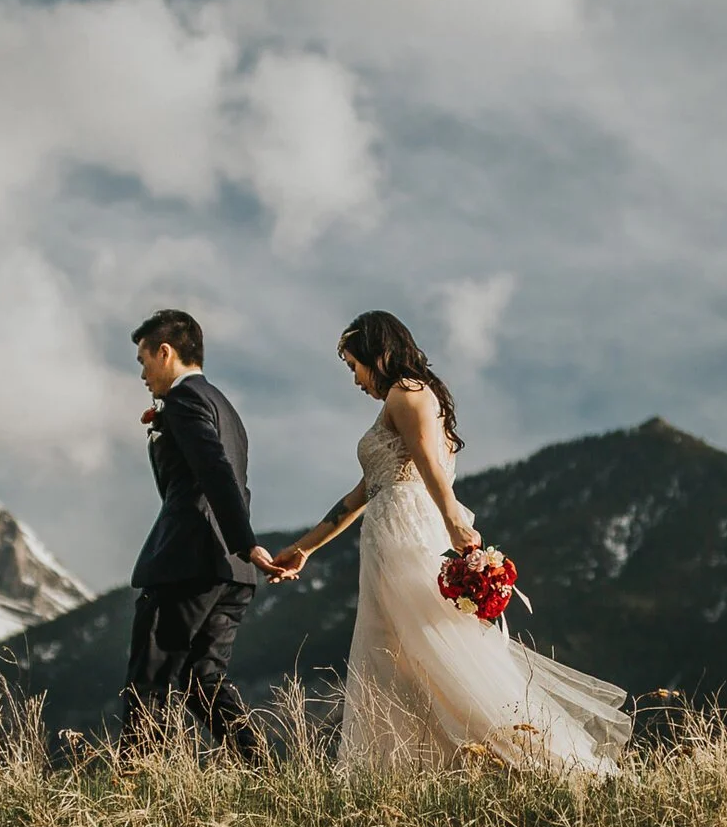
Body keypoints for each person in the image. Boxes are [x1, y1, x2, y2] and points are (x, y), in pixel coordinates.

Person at [268, 310, 630, 774]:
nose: (355, 380)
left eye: (354, 366)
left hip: (404, 532)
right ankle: (427, 767)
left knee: (430, 650)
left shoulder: (407, 394)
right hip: (387, 531)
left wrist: (456, 522)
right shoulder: (404, 399)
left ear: (378, 355)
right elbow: (360, 494)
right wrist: (305, 548)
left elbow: (430, 469)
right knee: (401, 656)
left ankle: (540, 758)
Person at [120, 308, 279, 756]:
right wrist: (242, 552)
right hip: (231, 573)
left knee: (149, 676)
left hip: (189, 562)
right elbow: (230, 478)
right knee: (201, 680)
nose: (143, 373)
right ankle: (262, 767)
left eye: (143, 360)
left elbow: (214, 471)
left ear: (165, 352)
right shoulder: (225, 407)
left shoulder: (186, 401)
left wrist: (246, 543)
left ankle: (137, 781)